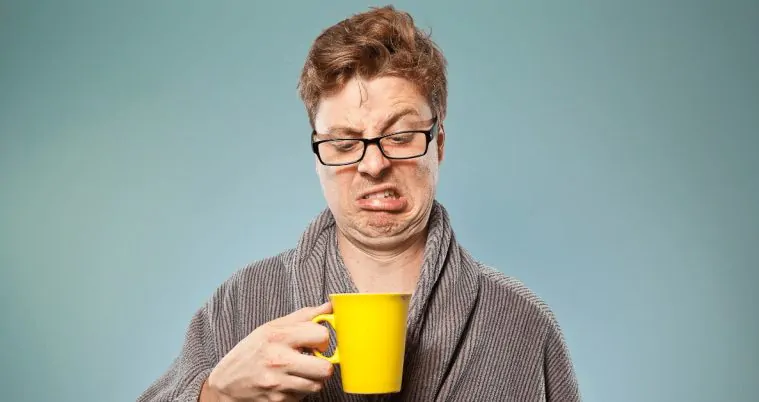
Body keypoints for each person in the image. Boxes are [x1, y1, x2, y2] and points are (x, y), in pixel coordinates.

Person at [138, 5, 580, 402]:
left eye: (401, 136)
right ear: (317, 157)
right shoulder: (240, 304)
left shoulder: (523, 325)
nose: (373, 165)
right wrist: (214, 396)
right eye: (344, 143)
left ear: (438, 144)